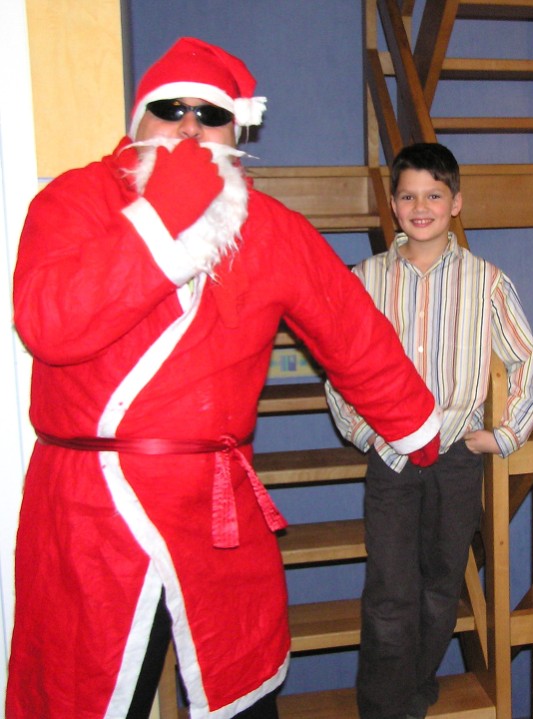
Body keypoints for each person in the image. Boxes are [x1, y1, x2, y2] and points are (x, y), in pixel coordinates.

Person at [8, 37, 441, 719]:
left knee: (238, 691)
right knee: (80, 691)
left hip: (213, 511)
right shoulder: (71, 202)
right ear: (138, 119)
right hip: (88, 512)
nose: (189, 127)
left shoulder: (270, 229)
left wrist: (415, 425)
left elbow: (351, 328)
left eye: (210, 115)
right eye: (170, 109)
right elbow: (49, 325)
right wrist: (160, 218)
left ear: (236, 134)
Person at [325, 142, 533, 719]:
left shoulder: (486, 281)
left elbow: (524, 361)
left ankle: (416, 693)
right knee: (389, 594)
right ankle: (383, 708)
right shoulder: (366, 279)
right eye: (408, 196)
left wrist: (503, 436)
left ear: (455, 203)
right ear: (394, 204)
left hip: (455, 458)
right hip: (392, 458)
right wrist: (366, 433)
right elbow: (340, 365)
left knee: (440, 588)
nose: (420, 207)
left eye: (433, 195)